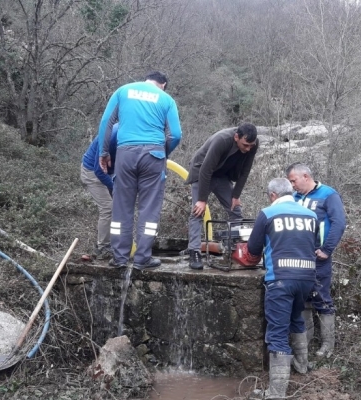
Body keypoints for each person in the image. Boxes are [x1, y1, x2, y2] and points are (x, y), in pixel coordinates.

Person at [97, 71, 182, 270]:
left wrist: (103, 152)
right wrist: (163, 153)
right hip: (154, 155)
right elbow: (176, 135)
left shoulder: (123, 91)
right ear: (163, 84)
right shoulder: (166, 99)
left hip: (125, 153)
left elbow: (105, 123)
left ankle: (119, 258)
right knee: (149, 209)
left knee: (121, 208)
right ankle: (142, 258)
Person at [246, 178, 318, 399]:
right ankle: (302, 365)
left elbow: (252, 250)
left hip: (280, 280)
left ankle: (276, 393)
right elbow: (313, 245)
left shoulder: (268, 214)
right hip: (306, 278)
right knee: (297, 318)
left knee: (277, 332)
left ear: (273, 196)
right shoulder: (311, 215)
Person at [286, 163, 346, 358]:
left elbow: (339, 222)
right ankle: (307, 341)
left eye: (293, 181)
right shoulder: (293, 198)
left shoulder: (328, 194)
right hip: (297, 257)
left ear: (305, 176)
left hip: (318, 257)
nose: (292, 185)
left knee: (322, 298)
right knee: (302, 299)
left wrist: (327, 249)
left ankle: (328, 346)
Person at [185, 123, 259, 270]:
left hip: (222, 175)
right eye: (245, 145)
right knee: (198, 212)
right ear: (236, 137)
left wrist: (236, 196)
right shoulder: (222, 140)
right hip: (202, 172)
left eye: (251, 145)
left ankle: (234, 249)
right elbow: (205, 170)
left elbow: (245, 171)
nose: (248, 148)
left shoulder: (253, 144)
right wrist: (202, 200)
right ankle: (194, 251)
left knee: (235, 211)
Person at [80, 123, 119, 260]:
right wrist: (115, 188)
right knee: (108, 208)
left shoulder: (132, 135)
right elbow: (99, 171)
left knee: (119, 206)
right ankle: (103, 247)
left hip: (108, 172)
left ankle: (117, 242)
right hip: (92, 173)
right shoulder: (111, 137)